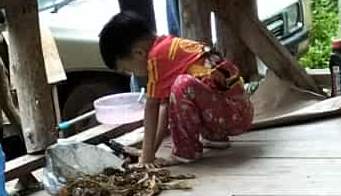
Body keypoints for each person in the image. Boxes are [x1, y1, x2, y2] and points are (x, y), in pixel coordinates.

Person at [98, 9, 253, 163]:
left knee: (182, 85)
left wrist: (145, 157)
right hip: (235, 110)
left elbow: (151, 108)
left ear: (138, 53)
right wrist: (149, 153)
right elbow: (165, 108)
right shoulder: (167, 48)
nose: (132, 74)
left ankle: (186, 152)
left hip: (234, 115)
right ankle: (215, 137)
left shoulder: (156, 59)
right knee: (181, 90)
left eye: (128, 69)